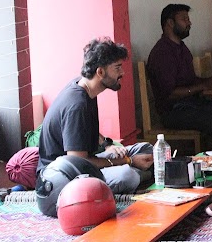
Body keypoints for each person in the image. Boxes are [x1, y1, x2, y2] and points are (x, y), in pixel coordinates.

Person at [37, 38, 154, 194]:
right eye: (117, 68)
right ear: (100, 72)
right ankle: (141, 173)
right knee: (127, 175)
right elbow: (78, 162)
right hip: (61, 178)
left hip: (83, 162)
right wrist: (128, 161)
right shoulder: (76, 106)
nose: (122, 73)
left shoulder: (85, 88)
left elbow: (83, 130)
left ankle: (141, 172)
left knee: (146, 149)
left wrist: (107, 145)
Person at [147, 4, 212, 149]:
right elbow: (170, 94)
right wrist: (203, 85)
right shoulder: (162, 53)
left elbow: (191, 81)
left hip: (191, 104)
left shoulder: (181, 48)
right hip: (173, 112)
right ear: (170, 23)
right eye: (184, 19)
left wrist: (210, 82)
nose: (189, 23)